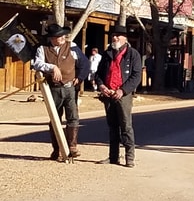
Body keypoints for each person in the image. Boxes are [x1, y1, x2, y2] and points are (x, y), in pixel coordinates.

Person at [33, 23, 90, 161]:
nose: (62, 38)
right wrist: (52, 67)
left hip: (70, 87)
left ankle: (72, 147)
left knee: (73, 117)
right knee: (54, 119)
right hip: (52, 89)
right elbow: (36, 63)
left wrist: (80, 77)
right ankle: (57, 150)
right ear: (52, 38)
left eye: (63, 35)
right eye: (59, 36)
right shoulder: (43, 48)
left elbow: (85, 63)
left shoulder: (72, 46)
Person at [96, 24, 142, 168]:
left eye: (117, 35)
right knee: (112, 126)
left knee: (126, 126)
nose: (114, 38)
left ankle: (130, 158)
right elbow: (98, 74)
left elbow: (136, 76)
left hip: (123, 94)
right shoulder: (107, 54)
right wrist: (102, 86)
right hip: (108, 93)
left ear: (124, 38)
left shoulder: (133, 54)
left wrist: (122, 90)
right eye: (113, 35)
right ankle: (113, 157)